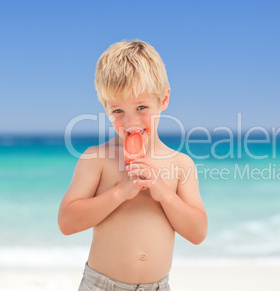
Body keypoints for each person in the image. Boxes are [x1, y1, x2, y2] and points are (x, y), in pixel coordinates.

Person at [58, 40, 208, 291]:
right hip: (101, 285)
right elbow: (67, 222)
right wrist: (118, 193)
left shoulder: (180, 165)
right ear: (105, 108)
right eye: (117, 110)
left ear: (164, 99)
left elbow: (197, 232)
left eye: (141, 107)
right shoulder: (97, 159)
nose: (130, 121)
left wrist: (163, 193)